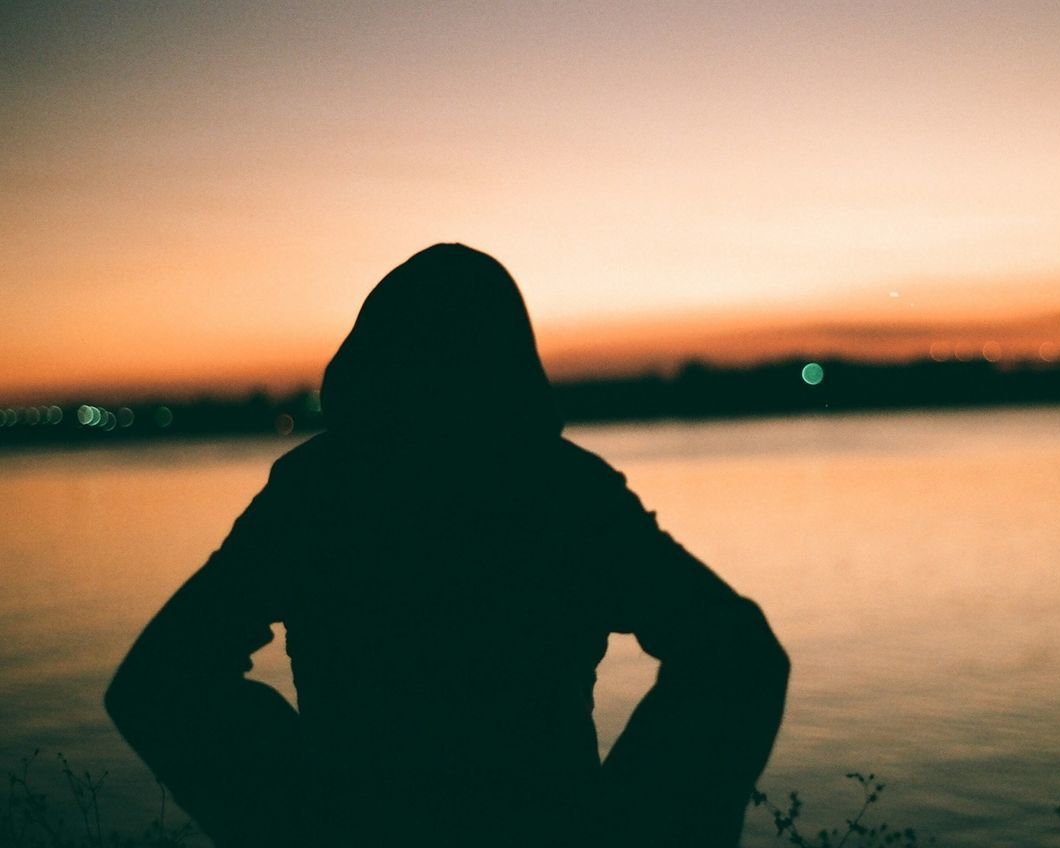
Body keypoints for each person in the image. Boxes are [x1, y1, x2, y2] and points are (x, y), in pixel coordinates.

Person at [104, 244, 789, 847]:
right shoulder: (566, 493)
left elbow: (158, 682)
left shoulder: (316, 494)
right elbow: (740, 657)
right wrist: (632, 826)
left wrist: (297, 820)